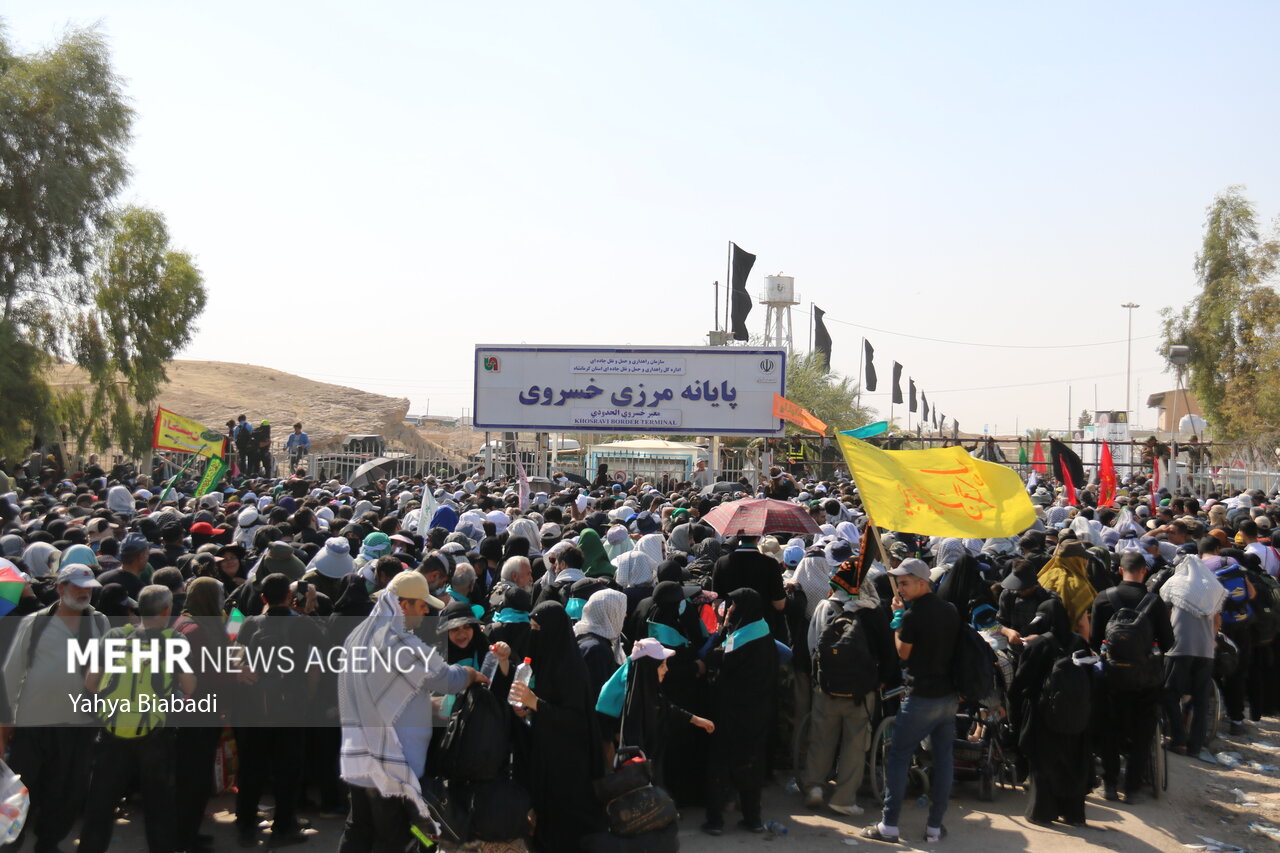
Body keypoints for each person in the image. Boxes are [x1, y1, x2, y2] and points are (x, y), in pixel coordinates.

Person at [338, 570, 482, 853]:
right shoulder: (400, 642)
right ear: (402, 605)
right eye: (421, 604)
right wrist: (471, 673)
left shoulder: (359, 635)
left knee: (359, 828)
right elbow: (447, 679)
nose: (426, 610)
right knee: (393, 837)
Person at [79, 585, 196, 853]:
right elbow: (189, 688)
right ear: (166, 610)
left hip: (112, 731)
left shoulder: (114, 636)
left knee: (100, 804)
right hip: (154, 735)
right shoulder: (175, 641)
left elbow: (91, 682)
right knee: (159, 806)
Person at [2, 564, 110, 853]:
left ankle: (48, 843)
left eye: (88, 588)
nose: (84, 593)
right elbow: (11, 673)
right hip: (34, 724)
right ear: (61, 588)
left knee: (67, 792)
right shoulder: (34, 623)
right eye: (77, 586)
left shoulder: (100, 623)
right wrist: (4, 723)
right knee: (24, 791)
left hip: (80, 726)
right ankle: (11, 843)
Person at [863, 558, 959, 845]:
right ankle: (934, 827)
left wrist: (897, 621)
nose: (900, 588)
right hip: (948, 697)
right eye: (898, 583)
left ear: (922, 583)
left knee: (899, 756)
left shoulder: (912, 616)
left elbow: (903, 653)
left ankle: (889, 825)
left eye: (904, 583)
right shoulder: (950, 610)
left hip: (921, 697)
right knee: (943, 760)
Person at [234, 572, 325, 848]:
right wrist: (307, 697)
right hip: (292, 705)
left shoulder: (251, 623)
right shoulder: (306, 626)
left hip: (256, 706)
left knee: (252, 767)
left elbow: (236, 657)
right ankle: (284, 825)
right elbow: (315, 667)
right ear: (289, 596)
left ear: (262, 598)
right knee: (288, 769)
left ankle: (246, 824)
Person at [507, 601, 606, 851]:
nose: (533, 634)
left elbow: (576, 720)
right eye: (531, 627)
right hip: (547, 757)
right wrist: (525, 712)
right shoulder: (543, 662)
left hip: (570, 763)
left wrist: (535, 703)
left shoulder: (571, 668)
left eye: (538, 628)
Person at [802, 562, 896, 817]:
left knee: (821, 738)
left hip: (826, 686)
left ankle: (814, 788)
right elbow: (888, 652)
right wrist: (883, 679)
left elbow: (813, 645)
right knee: (855, 744)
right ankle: (843, 799)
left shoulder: (826, 607)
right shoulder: (874, 612)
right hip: (861, 691)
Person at [1089, 551, 1174, 803]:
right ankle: (1133, 787)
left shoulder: (1103, 598)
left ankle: (1111, 783)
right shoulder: (1154, 602)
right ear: (1143, 572)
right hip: (1144, 678)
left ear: (1119, 570)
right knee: (1142, 732)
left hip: (1111, 677)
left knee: (1110, 729)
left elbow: (1094, 641)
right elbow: (1168, 642)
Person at [1008, 597, 1093, 827]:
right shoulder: (1079, 642)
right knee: (1073, 762)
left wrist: (1016, 713)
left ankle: (1042, 812)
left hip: (1042, 715)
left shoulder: (1039, 645)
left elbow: (1020, 685)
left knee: (1043, 763)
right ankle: (1073, 814)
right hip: (1076, 715)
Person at [701, 588, 778, 835]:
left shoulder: (744, 638)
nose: (729, 609)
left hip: (731, 710)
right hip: (757, 712)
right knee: (752, 762)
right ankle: (752, 818)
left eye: (733, 605)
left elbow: (721, 657)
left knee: (719, 763)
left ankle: (715, 821)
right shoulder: (761, 632)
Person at [596, 637, 715, 780]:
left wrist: (697, 721)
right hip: (633, 772)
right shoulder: (628, 697)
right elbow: (622, 737)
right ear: (650, 668)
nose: (666, 669)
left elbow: (667, 707)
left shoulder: (645, 687)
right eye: (662, 665)